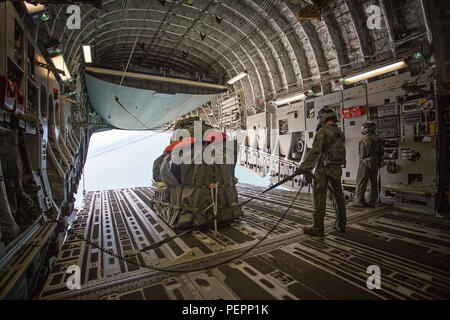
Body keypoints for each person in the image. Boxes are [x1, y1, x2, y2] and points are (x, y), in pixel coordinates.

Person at [296, 107, 347, 237]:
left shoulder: (322, 132)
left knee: (319, 197)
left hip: (323, 170)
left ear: (323, 118)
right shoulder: (340, 133)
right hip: (336, 168)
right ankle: (341, 223)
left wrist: (304, 167)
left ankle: (318, 227)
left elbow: (316, 151)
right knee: (338, 196)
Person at [349, 120, 384, 208]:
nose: (363, 130)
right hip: (376, 162)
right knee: (373, 182)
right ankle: (372, 201)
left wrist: (362, 162)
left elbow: (363, 153)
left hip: (365, 162)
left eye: (363, 128)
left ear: (367, 129)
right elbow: (381, 152)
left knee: (361, 181)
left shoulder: (366, 139)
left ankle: (359, 200)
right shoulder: (378, 138)